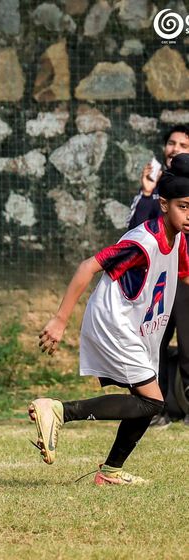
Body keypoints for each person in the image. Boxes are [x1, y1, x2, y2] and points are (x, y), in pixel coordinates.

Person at [29, 153, 189, 485]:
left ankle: (111, 471)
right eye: (183, 207)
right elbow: (88, 266)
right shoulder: (142, 242)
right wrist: (60, 320)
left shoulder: (178, 241)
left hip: (135, 327)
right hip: (113, 322)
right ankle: (59, 410)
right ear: (163, 205)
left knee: (148, 402)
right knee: (152, 402)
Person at [128, 125, 189, 427]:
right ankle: (158, 408)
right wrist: (146, 192)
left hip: (186, 280)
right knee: (155, 343)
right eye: (171, 143)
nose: (175, 148)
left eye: (183, 144)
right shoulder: (157, 190)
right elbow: (135, 228)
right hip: (160, 280)